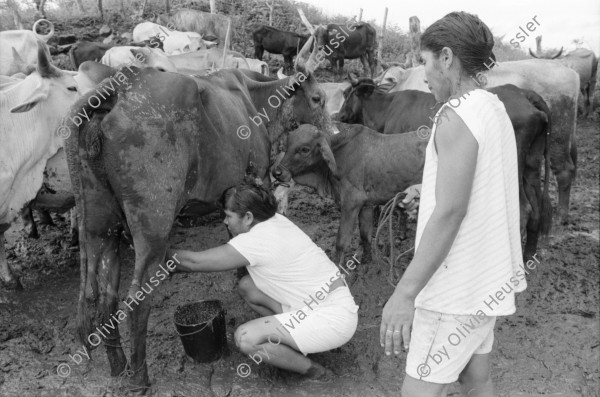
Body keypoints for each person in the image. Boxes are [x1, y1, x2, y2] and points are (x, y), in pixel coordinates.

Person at [381, 11, 526, 397]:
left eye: (425, 62)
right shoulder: (491, 106)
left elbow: (451, 211)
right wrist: (425, 187)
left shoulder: (454, 116)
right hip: (485, 282)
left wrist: (405, 293)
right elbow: (478, 183)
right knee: (476, 380)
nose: (423, 74)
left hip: (452, 289)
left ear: (446, 57)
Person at [168, 182, 359, 380]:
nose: (225, 222)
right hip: (323, 303)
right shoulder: (275, 220)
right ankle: (294, 340)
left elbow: (192, 262)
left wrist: (155, 253)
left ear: (248, 217)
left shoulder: (254, 242)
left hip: (333, 320)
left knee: (246, 338)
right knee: (247, 286)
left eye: (229, 216)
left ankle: (316, 371)